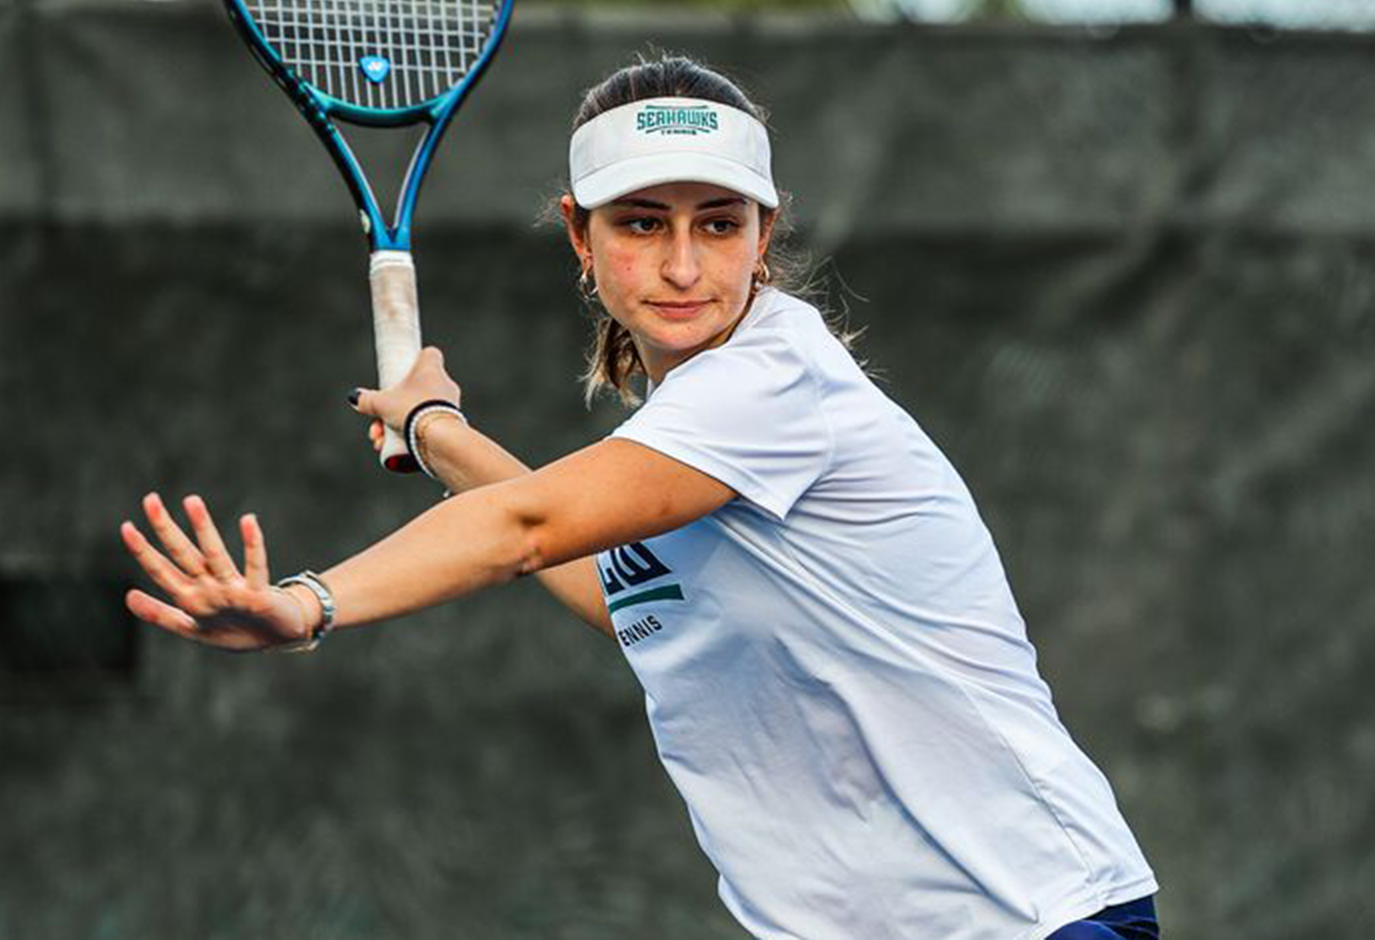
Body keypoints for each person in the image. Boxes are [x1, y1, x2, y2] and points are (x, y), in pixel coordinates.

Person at [119, 55, 1160, 940]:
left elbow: (529, 531)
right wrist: (440, 432)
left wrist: (306, 604)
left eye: (717, 225)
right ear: (580, 236)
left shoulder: (773, 383)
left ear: (765, 232)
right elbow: (628, 594)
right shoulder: (701, 425)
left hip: (1026, 916)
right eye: (640, 222)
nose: (680, 263)